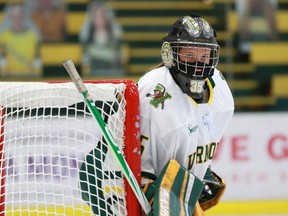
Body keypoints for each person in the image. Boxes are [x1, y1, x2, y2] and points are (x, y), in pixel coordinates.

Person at [137, 15, 234, 215]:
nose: (198, 64)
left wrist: (199, 171)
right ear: (170, 54)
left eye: (205, 56)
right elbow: (137, 163)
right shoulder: (155, 93)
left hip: (178, 196)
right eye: (189, 55)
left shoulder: (221, 90)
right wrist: (153, 194)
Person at [79, 1, 125, 76]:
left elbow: (115, 56)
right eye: (97, 16)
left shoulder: (115, 35)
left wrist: (93, 51)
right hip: (93, 75)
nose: (99, 19)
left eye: (102, 16)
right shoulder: (87, 37)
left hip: (111, 74)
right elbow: (85, 58)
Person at [0, 3, 42, 78]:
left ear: (24, 17)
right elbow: (3, 61)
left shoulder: (33, 36)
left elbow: (37, 60)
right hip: (11, 80)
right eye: (14, 17)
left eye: (20, 16)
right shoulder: (4, 37)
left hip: (30, 78)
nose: (17, 19)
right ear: (10, 18)